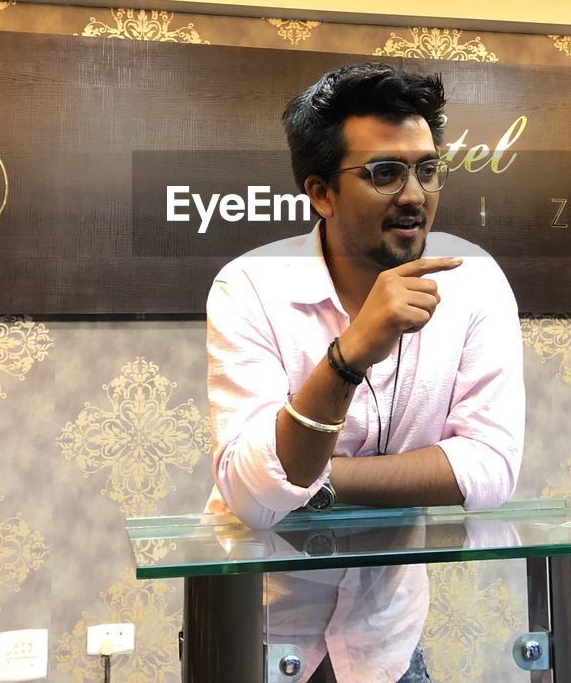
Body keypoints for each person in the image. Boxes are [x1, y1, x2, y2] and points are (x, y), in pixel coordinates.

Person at [205, 62, 525, 683]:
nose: (414, 195)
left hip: (387, 639)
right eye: (384, 173)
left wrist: (320, 483)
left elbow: (490, 468)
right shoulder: (249, 287)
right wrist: (350, 354)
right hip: (261, 634)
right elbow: (253, 492)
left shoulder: (475, 283)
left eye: (427, 169)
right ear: (321, 192)